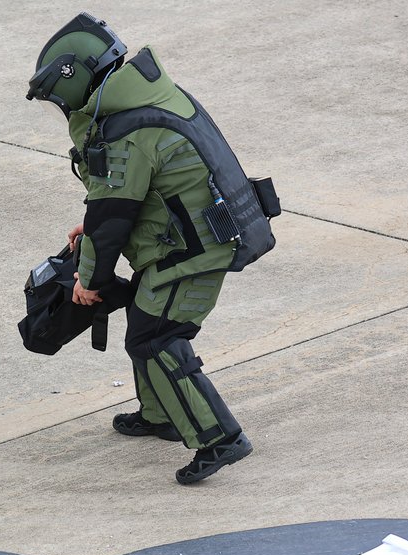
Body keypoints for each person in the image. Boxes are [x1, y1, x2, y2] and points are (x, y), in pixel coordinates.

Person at [27, 13, 272, 484]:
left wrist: (89, 281)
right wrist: (94, 230)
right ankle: (160, 415)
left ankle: (220, 437)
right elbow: (130, 196)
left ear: (75, 79)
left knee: (156, 337)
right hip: (186, 240)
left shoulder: (124, 130)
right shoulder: (141, 98)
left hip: (198, 250)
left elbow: (112, 217)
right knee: (144, 321)